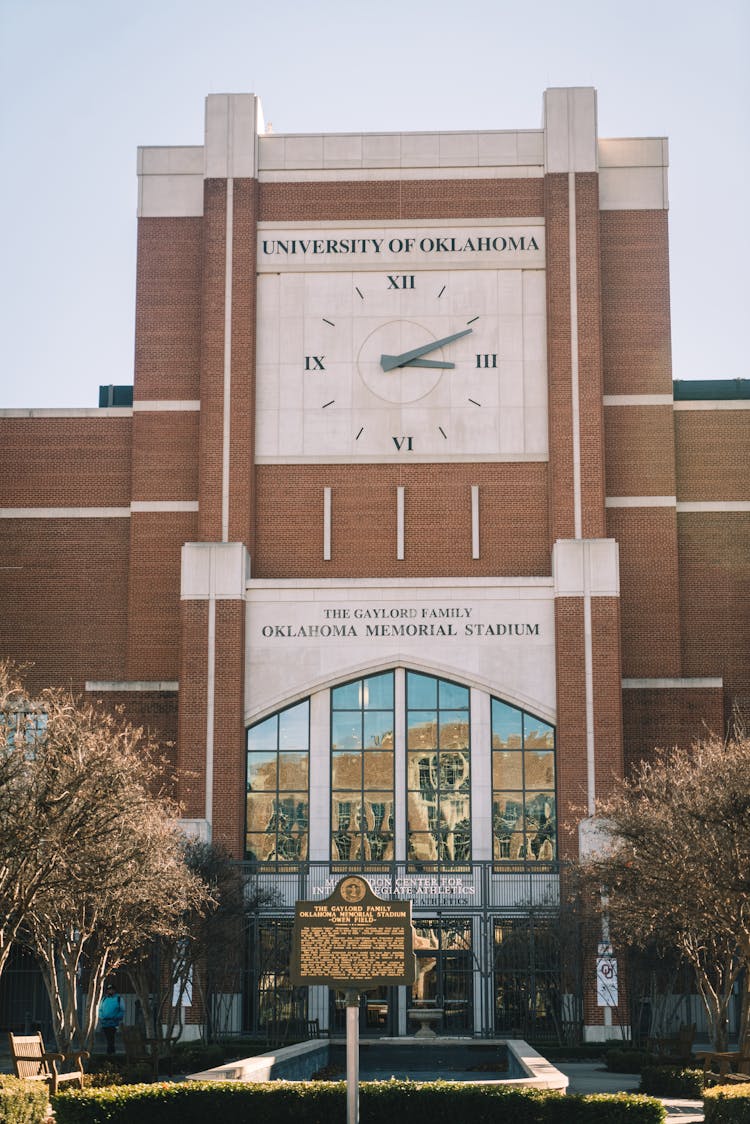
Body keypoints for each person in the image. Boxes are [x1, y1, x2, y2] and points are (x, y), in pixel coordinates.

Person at [98, 984, 125, 1055]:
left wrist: (115, 1018)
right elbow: (100, 1010)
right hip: (105, 1023)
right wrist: (101, 1017)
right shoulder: (104, 999)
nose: (110, 991)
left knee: (111, 1039)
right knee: (108, 1039)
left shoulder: (119, 999)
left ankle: (110, 1053)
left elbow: (122, 1010)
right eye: (109, 989)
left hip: (113, 1023)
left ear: (115, 990)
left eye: (112, 989)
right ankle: (111, 1053)